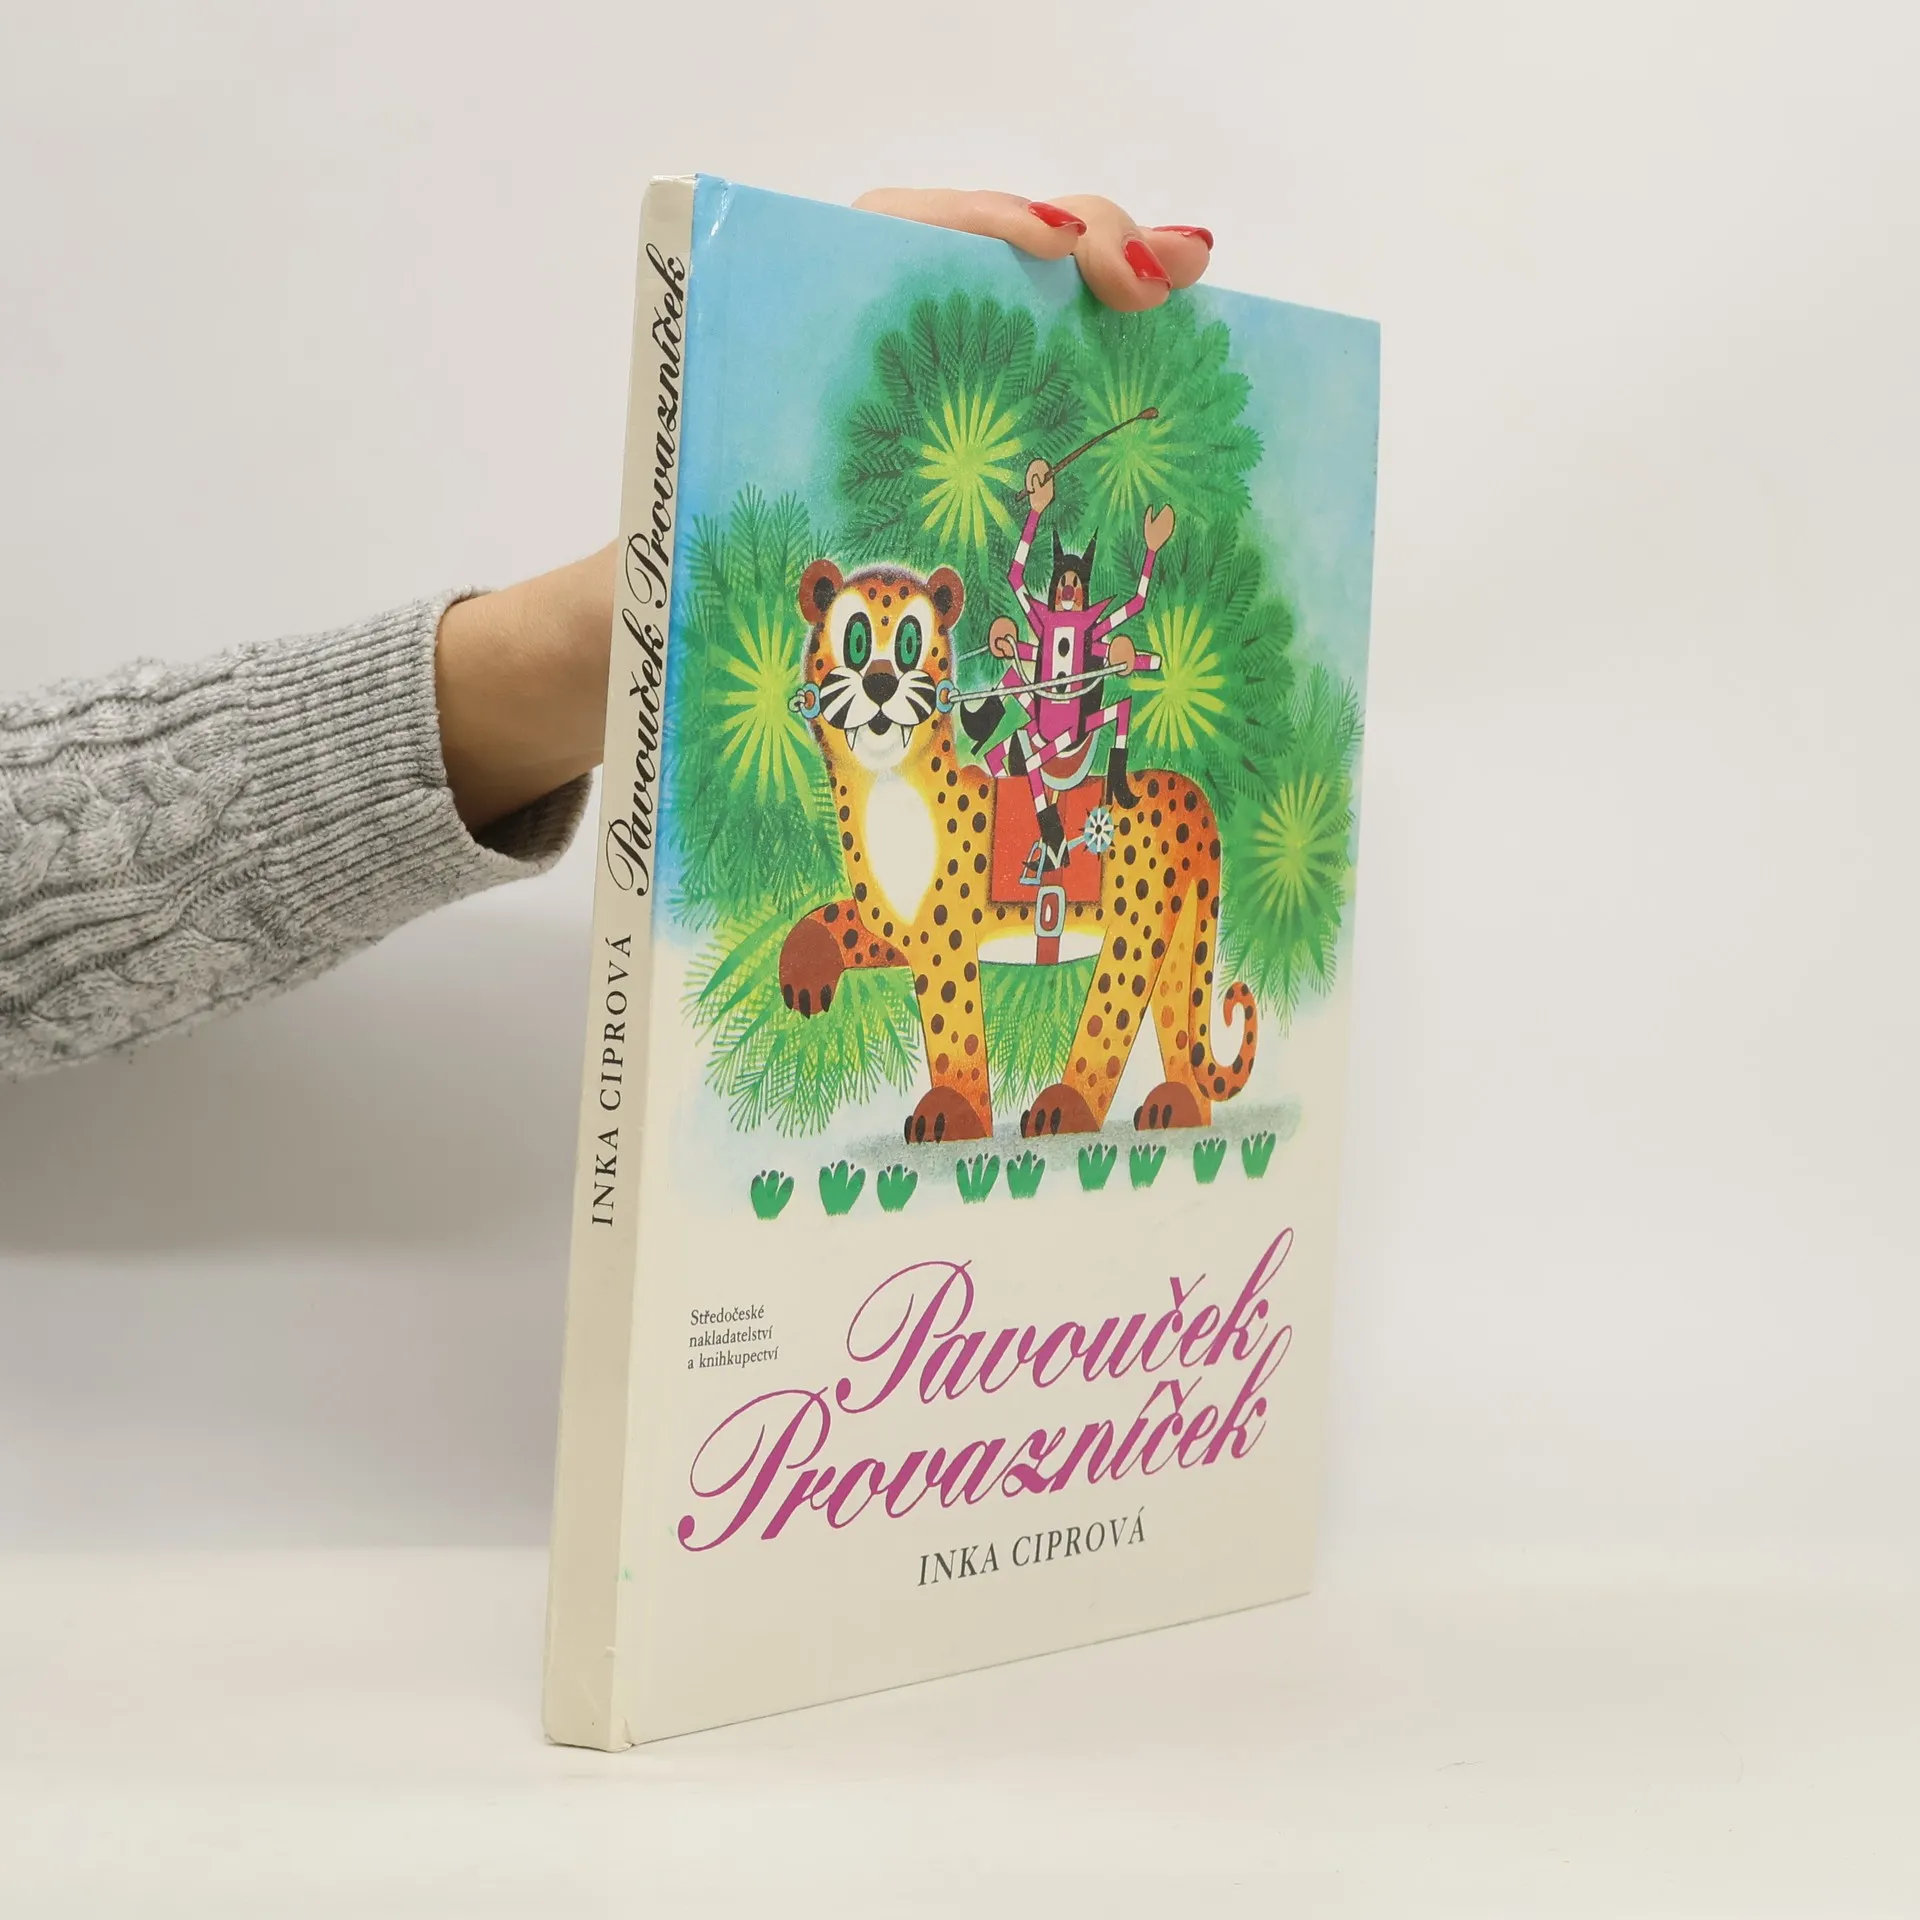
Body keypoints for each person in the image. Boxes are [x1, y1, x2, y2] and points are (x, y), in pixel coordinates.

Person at [0, 190, 1214, 1081]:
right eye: (860, 652)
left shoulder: (1065, 634)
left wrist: (632, 622)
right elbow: (913, 913)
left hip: (1068, 773)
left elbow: (1082, 617)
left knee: (1082, 849)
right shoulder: (964, 668)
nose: (883, 679)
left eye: (906, 655)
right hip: (1008, 761)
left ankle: (1098, 1068)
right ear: (818, 625)